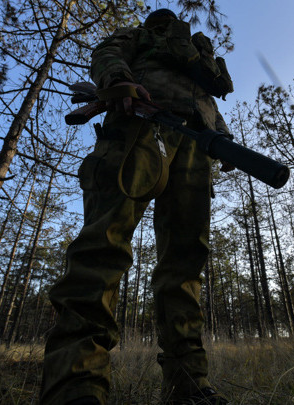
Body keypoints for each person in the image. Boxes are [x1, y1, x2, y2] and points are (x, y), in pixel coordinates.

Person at [41, 8, 233, 405]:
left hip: (196, 143)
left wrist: (224, 136)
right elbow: (107, 53)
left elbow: (207, 99)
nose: (166, 20)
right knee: (104, 244)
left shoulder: (197, 53)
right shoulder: (138, 35)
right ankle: (77, 387)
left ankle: (190, 385)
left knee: (185, 261)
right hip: (138, 126)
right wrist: (119, 81)